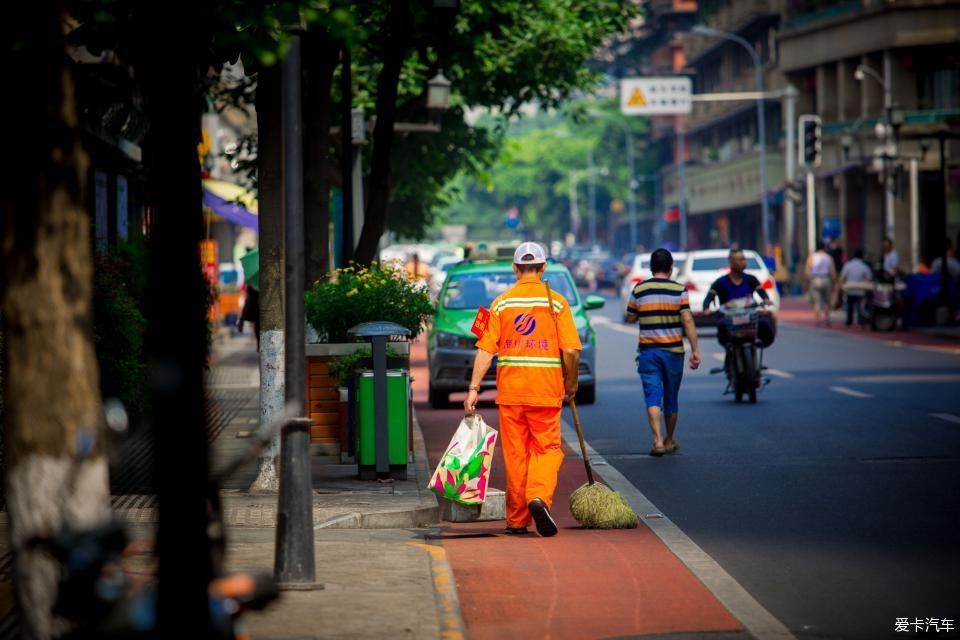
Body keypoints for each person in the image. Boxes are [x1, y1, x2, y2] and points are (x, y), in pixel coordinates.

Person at [464, 242, 581, 537]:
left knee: (515, 455)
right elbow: (571, 351)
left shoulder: (500, 304)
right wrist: (572, 380)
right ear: (543, 269)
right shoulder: (557, 304)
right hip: (545, 391)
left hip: (511, 394)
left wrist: (473, 389)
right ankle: (538, 497)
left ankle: (517, 520)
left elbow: (484, 350)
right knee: (548, 448)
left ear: (515, 269)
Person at [625, 248, 700, 457]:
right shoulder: (679, 290)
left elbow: (630, 317)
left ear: (650, 267)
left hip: (648, 353)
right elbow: (687, 320)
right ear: (670, 267)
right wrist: (695, 350)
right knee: (671, 397)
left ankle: (657, 440)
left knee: (652, 396)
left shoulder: (639, 289)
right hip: (674, 353)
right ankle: (668, 440)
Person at [836, 248, 873, 328]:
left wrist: (840, 286)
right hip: (860, 290)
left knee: (850, 306)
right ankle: (860, 323)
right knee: (860, 306)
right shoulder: (864, 266)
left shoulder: (848, 265)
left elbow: (842, 277)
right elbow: (869, 278)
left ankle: (849, 321)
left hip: (850, 289)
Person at [804, 242, 837, 326]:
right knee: (827, 301)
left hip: (815, 279)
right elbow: (833, 272)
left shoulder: (812, 257)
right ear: (824, 248)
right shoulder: (828, 257)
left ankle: (817, 320)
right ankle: (827, 319)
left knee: (816, 302)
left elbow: (807, 270)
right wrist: (834, 283)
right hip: (826, 279)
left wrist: (807, 282)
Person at [237, 283, 260, 350]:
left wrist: (241, 320)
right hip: (257, 313)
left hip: (257, 313)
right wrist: (241, 320)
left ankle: (259, 344)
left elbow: (248, 301)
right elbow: (248, 301)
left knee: (257, 324)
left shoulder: (252, 287)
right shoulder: (252, 289)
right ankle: (259, 344)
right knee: (257, 324)